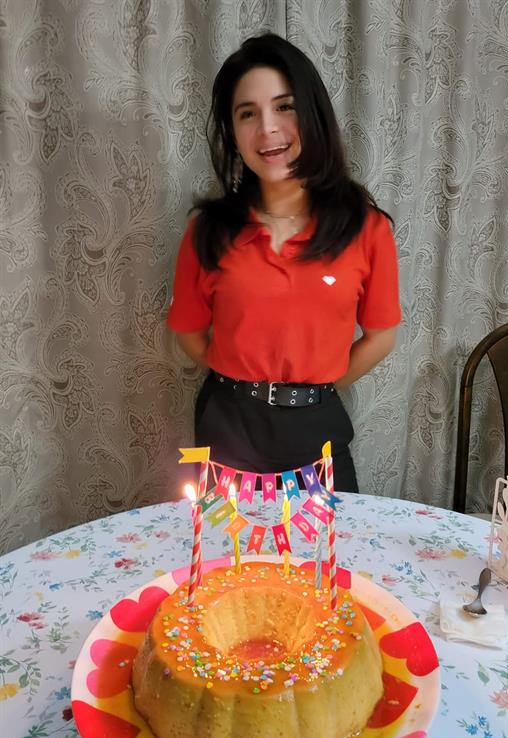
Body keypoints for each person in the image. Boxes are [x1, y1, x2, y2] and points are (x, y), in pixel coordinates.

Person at [167, 33, 401, 492]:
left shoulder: (366, 228)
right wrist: (240, 372)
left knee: (325, 560)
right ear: (233, 134)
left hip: (318, 430)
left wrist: (315, 385)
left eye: (284, 107)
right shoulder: (207, 230)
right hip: (228, 426)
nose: (268, 128)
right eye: (248, 113)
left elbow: (381, 336)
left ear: (312, 115)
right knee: (227, 562)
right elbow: (189, 333)